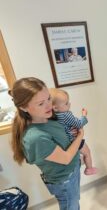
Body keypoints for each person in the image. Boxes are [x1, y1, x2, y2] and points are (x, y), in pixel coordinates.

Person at [10, 77, 83, 210]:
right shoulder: (35, 137)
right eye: (40, 103)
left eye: (49, 98)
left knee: (74, 203)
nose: (49, 105)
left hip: (73, 170)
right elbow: (66, 158)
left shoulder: (48, 117)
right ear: (23, 107)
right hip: (64, 180)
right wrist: (80, 135)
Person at [49, 88, 97, 175]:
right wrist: (84, 116)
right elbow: (79, 123)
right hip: (74, 140)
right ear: (55, 108)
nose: (69, 104)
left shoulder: (52, 117)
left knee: (79, 155)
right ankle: (89, 169)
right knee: (87, 152)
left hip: (66, 142)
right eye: (66, 103)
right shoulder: (65, 115)